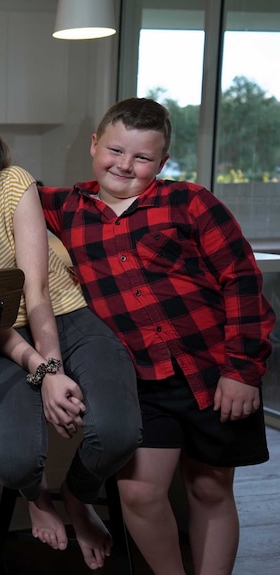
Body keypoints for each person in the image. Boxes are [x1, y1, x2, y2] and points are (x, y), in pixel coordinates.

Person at [40, 97, 274, 575]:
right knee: (141, 493)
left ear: (162, 162)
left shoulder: (189, 201)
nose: (125, 165)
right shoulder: (65, 208)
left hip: (215, 371)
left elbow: (243, 279)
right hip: (141, 380)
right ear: (94, 145)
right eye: (114, 150)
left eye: (142, 157)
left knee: (210, 488)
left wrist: (242, 371)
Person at [0, 93, 142, 570]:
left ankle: (78, 497)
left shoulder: (13, 185)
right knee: (14, 461)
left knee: (118, 432)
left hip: (67, 314)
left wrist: (53, 366)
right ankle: (37, 497)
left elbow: (35, 289)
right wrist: (41, 370)